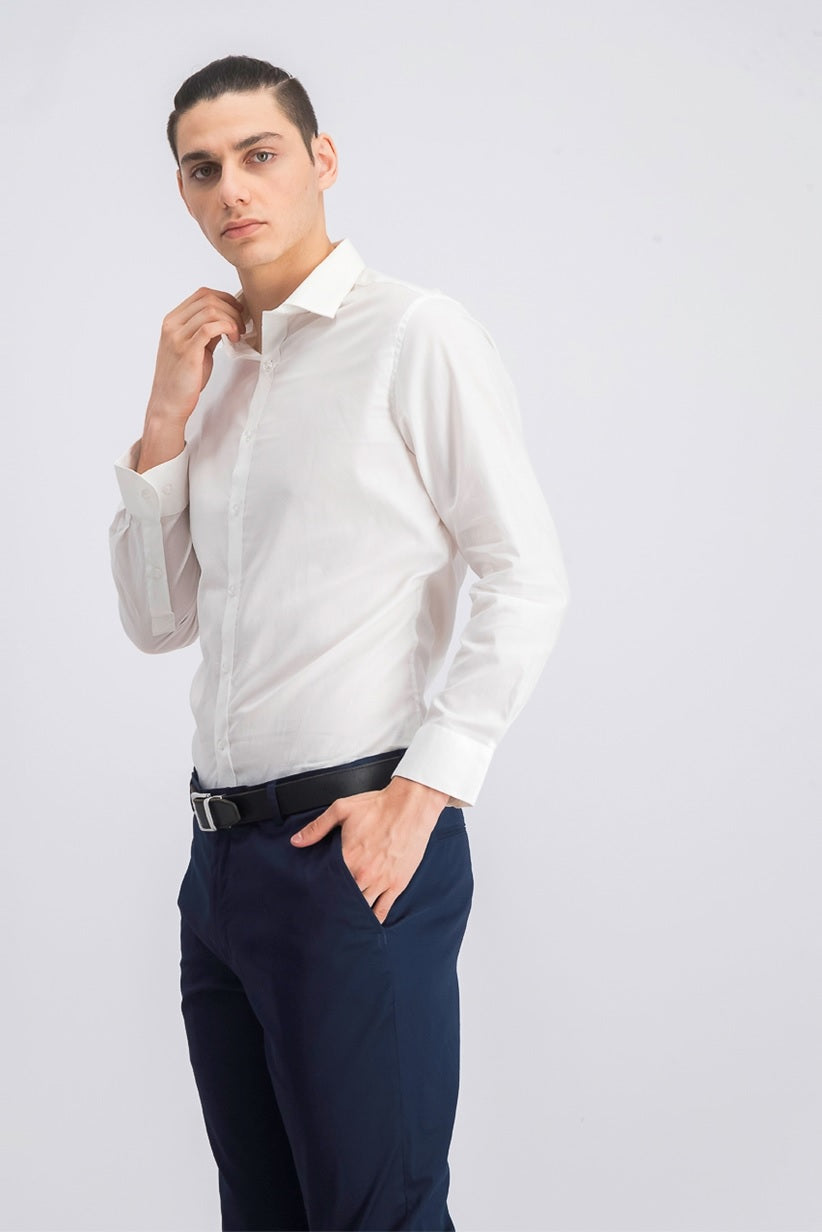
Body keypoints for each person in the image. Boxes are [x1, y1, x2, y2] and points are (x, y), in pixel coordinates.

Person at [108, 53, 571, 1232]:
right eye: (201, 169)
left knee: (378, 1218)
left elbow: (526, 573)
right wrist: (164, 420)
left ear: (320, 160)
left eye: (258, 155)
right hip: (219, 869)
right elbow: (158, 619)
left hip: (353, 850)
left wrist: (427, 788)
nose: (231, 189)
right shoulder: (213, 375)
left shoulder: (415, 333)